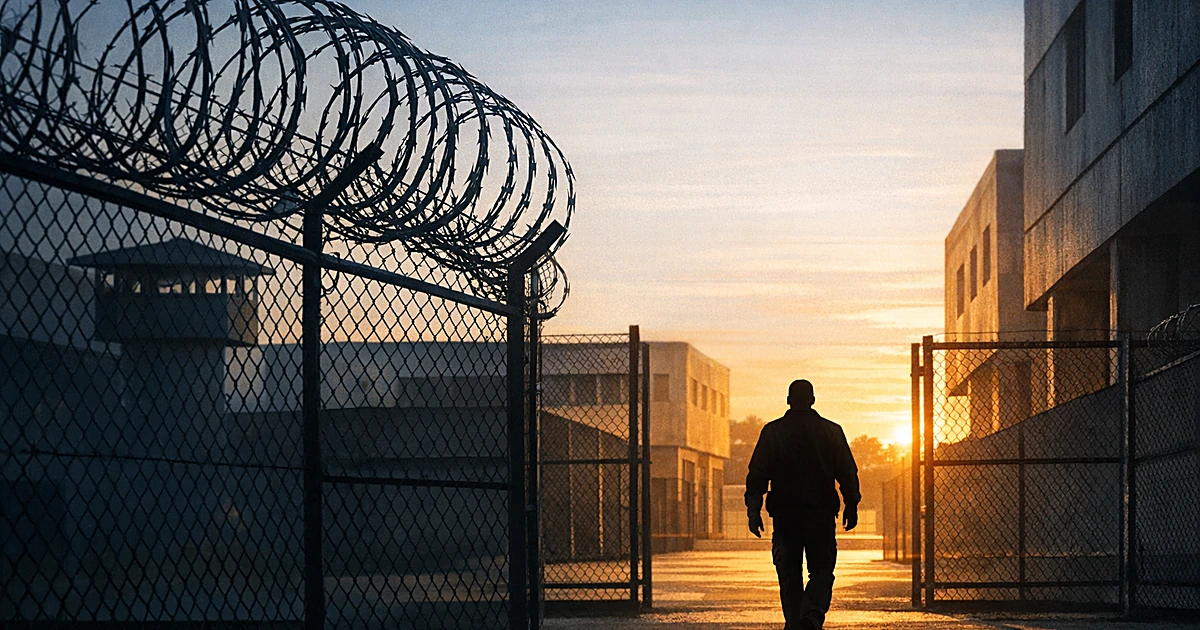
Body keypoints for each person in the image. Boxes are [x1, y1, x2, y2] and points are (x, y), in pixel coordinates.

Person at [745, 379, 860, 630]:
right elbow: (846, 470)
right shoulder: (831, 431)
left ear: (788, 400)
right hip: (820, 514)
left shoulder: (773, 432)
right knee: (821, 570)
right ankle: (813, 613)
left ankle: (795, 622)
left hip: (786, 515)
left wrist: (754, 510)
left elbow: (758, 473)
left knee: (789, 574)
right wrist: (851, 503)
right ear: (813, 400)